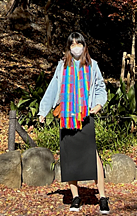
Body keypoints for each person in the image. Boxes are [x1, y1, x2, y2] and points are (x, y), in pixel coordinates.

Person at [38, 32, 110, 214]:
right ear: (69, 46)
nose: (76, 47)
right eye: (73, 44)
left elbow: (100, 86)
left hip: (85, 116)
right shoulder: (62, 66)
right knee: (69, 156)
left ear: (84, 46)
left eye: (79, 44)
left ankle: (102, 197)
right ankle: (75, 197)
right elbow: (53, 87)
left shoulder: (93, 66)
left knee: (94, 157)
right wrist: (43, 110)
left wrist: (99, 104)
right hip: (66, 116)